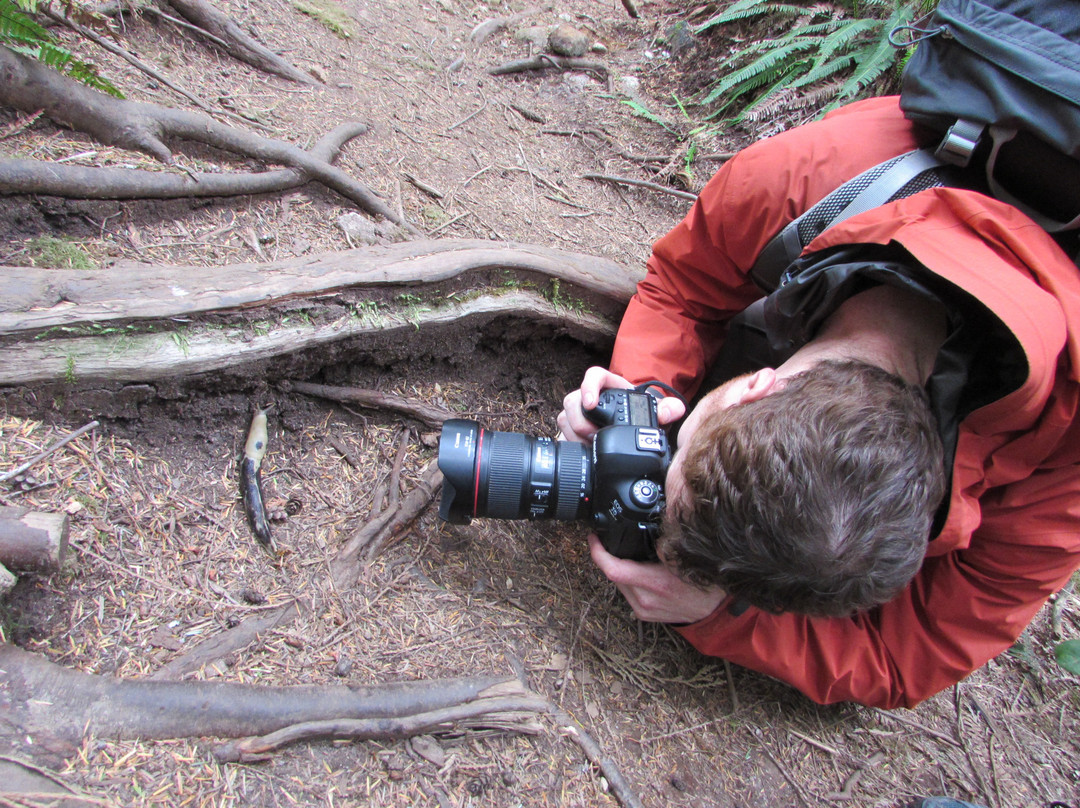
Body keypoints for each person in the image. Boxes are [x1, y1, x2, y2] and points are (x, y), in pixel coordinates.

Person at [557, 96, 1080, 709]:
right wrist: (643, 397)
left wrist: (726, 617)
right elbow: (682, 283)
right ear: (757, 385)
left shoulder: (1066, 450)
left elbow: (912, 656)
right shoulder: (802, 182)